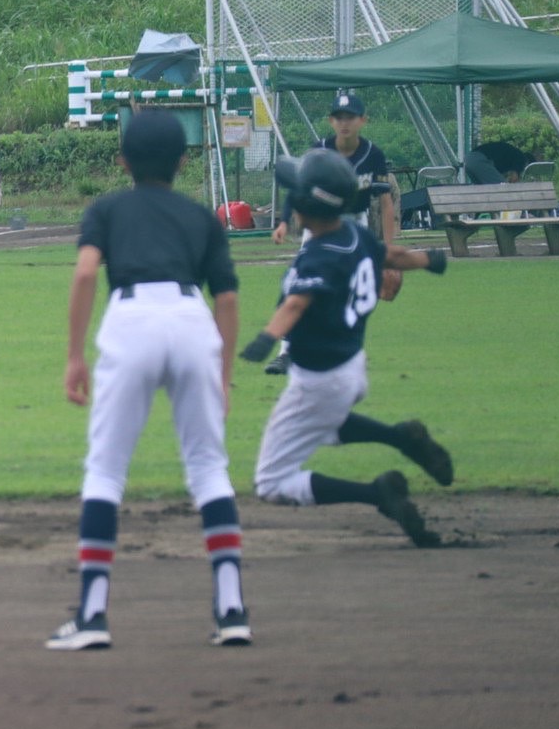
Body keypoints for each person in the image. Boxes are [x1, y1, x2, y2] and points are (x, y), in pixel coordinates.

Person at [47, 111, 248, 651]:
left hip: (131, 319)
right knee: (208, 467)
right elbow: (226, 299)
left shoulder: (107, 208)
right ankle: (231, 609)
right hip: (189, 318)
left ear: (122, 161)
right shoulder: (201, 215)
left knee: (107, 471)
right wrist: (223, 378)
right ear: (184, 162)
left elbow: (87, 272)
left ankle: (92, 616)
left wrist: (73, 356)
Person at [239, 148, 453, 549]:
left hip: (318, 379)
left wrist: (265, 339)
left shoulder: (317, 257)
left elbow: (296, 304)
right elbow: (392, 254)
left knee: (271, 482)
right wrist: (429, 260)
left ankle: (378, 494)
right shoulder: (352, 236)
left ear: (305, 205)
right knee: (322, 426)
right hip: (350, 366)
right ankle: (402, 438)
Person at [266, 92, 398, 374]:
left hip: (355, 224)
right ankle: (286, 351)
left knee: (349, 289)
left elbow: (386, 202)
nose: (344, 123)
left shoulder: (373, 154)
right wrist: (284, 221)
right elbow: (298, 188)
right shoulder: (320, 150)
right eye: (339, 117)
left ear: (363, 120)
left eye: (350, 117)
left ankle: (342, 349)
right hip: (319, 225)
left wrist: (387, 251)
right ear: (331, 121)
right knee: (302, 283)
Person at [465, 140, 535, 184]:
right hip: (480, 160)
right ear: (528, 163)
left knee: (482, 190)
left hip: (469, 159)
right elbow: (514, 178)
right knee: (501, 188)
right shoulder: (521, 158)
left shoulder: (511, 155)